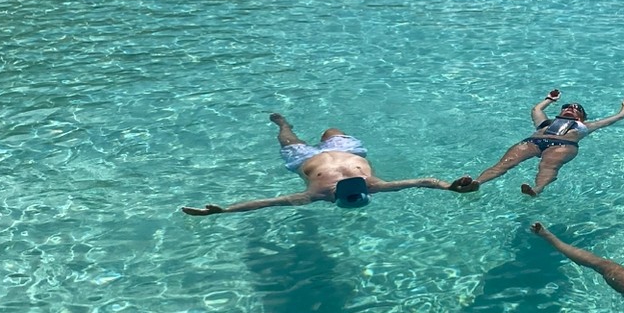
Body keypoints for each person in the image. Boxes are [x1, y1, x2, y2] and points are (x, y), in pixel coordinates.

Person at [181, 112, 453, 215]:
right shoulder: (373, 186)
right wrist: (450, 187)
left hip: (304, 159)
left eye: (343, 192)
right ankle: (325, 135)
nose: (345, 187)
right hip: (346, 149)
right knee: (332, 130)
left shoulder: (316, 194)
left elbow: (267, 202)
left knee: (287, 139)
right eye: (352, 189)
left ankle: (284, 123)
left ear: (336, 198)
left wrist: (225, 210)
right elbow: (423, 182)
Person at [450, 89, 624, 197]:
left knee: (548, 166)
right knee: (504, 164)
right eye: (567, 107)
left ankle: (537, 189)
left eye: (576, 109)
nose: (571, 109)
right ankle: (476, 182)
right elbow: (536, 109)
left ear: (582, 116)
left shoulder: (585, 126)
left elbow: (616, 118)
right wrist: (549, 99)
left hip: (563, 145)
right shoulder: (545, 123)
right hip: (533, 141)